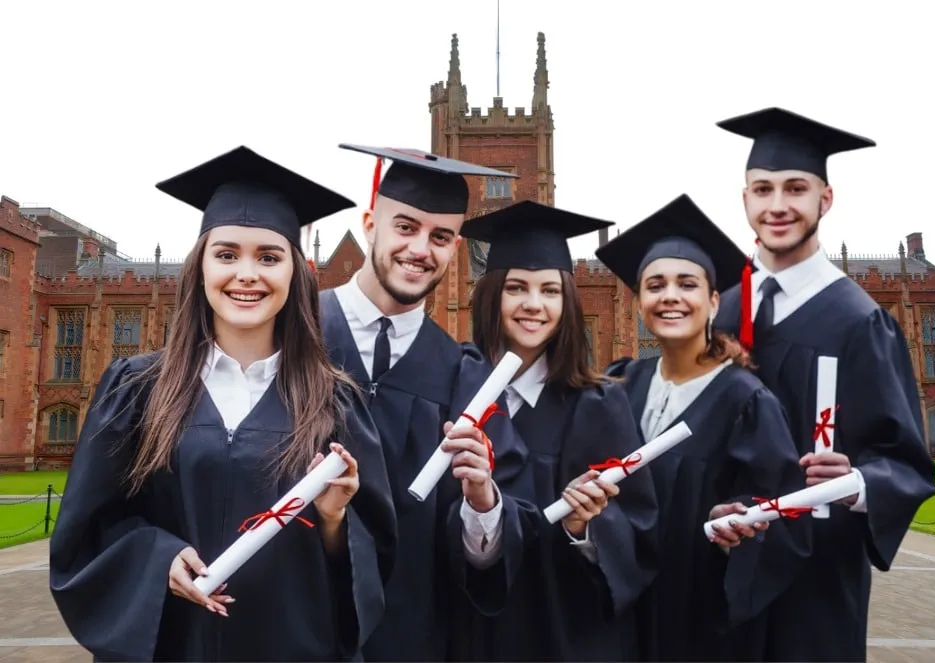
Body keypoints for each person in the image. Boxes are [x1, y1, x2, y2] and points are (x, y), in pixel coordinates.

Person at [49, 146, 398, 662]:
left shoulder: (334, 403)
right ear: (202, 267)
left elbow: (373, 566)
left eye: (269, 257)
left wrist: (332, 519)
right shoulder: (138, 390)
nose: (247, 274)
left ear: (295, 274)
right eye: (227, 254)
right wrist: (158, 559)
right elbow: (86, 532)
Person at [713, 107, 935, 661]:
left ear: (824, 200)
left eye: (796, 188)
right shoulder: (723, 310)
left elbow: (904, 462)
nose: (778, 204)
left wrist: (857, 480)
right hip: (722, 569)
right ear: (745, 201)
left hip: (815, 579)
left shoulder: (857, 320)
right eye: (762, 189)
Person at [318, 145, 541, 662]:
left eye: (440, 237)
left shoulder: (463, 376)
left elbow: (497, 548)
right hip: (284, 633)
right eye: (406, 226)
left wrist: (482, 500)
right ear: (371, 222)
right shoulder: (290, 336)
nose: (421, 248)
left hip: (410, 640)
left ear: (455, 246)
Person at [596, 193, 812, 662]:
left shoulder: (746, 400)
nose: (669, 296)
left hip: (702, 625)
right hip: (619, 619)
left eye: (686, 284)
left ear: (713, 300)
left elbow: (787, 513)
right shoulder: (622, 385)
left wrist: (742, 520)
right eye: (655, 285)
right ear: (638, 301)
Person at [442, 200, 661, 661]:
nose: (534, 305)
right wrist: (481, 507)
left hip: (571, 637)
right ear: (491, 295)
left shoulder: (602, 405)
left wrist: (584, 527)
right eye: (516, 288)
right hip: (479, 636)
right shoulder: (457, 391)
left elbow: (639, 535)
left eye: (550, 291)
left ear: (568, 302)